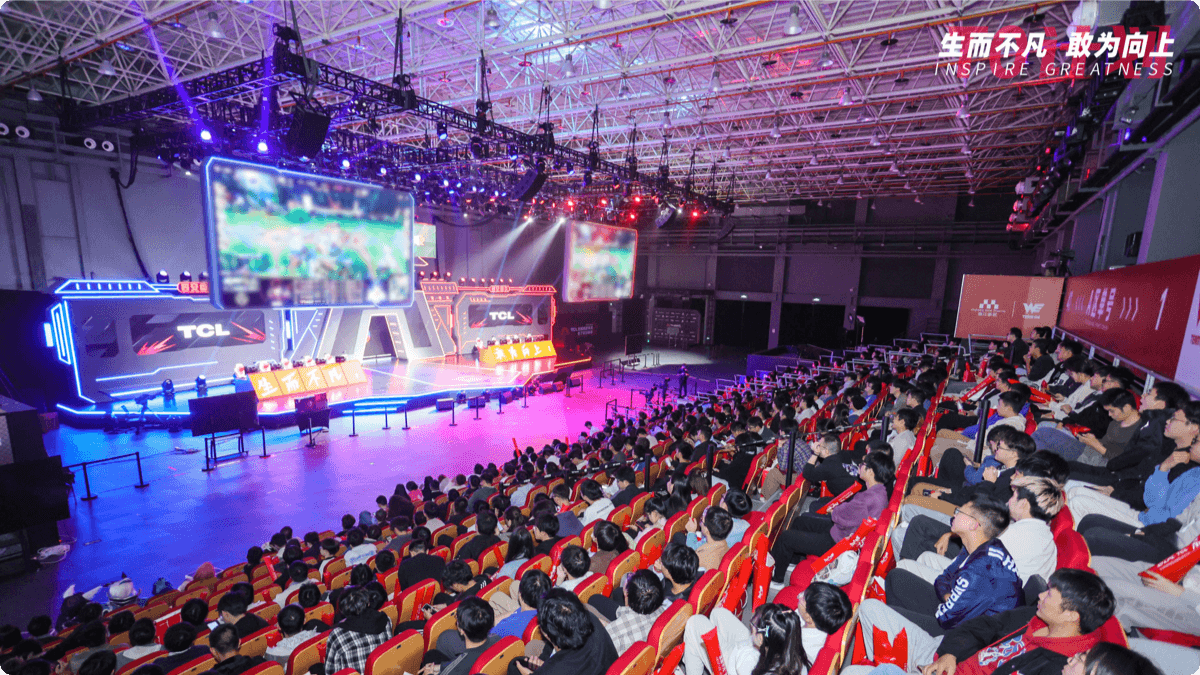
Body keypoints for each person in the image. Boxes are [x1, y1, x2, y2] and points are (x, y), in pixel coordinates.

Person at [920, 569, 1114, 675]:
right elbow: (982, 625)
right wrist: (951, 653)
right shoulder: (1037, 617)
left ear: (1071, 615)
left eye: (1049, 595)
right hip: (948, 656)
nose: (1040, 595)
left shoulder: (1063, 667)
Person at [885, 496, 1022, 637]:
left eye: (959, 512)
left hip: (966, 636)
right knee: (895, 578)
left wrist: (949, 599)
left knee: (887, 613)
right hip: (957, 613)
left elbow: (945, 618)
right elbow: (944, 578)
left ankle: (902, 636)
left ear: (973, 525)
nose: (954, 515)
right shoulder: (979, 545)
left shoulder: (980, 570)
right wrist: (947, 596)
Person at [772, 451, 894, 582]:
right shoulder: (880, 492)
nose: (860, 466)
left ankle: (777, 579)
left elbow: (840, 516)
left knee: (785, 538)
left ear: (871, 472)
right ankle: (793, 560)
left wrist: (834, 510)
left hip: (838, 541)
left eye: (863, 464)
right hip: (842, 531)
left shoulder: (868, 499)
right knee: (800, 521)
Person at [681, 603, 810, 675]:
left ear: (760, 639)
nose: (751, 622)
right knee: (718, 613)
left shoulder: (747, 659)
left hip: (737, 662)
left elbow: (742, 655)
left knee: (695, 623)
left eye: (754, 623)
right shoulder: (796, 658)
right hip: (756, 653)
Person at [514, 589, 617, 675]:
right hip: (604, 666)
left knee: (515, 664)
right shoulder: (590, 619)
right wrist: (545, 663)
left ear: (546, 634)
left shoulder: (554, 669)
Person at [422, 598, 499, 675]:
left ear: (462, 631)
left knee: (430, 656)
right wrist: (440, 667)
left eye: (457, 618)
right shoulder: (497, 639)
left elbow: (456, 667)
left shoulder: (459, 667)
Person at [324, 588, 392, 675]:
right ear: (368, 603)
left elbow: (330, 672)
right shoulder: (386, 620)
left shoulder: (337, 635)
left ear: (343, 609)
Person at [601, 570, 670, 652]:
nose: (629, 575)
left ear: (626, 593)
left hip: (616, 650)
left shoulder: (614, 630)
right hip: (647, 649)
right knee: (617, 592)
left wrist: (601, 625)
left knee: (594, 599)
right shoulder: (664, 611)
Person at [493, 571, 550, 639]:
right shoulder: (551, 609)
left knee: (496, 597)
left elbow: (488, 635)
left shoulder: (506, 626)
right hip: (526, 617)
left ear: (520, 595)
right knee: (514, 584)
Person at [684, 506, 733, 572]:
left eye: (701, 521)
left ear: (707, 530)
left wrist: (691, 532)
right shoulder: (724, 544)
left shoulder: (700, 557)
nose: (700, 524)